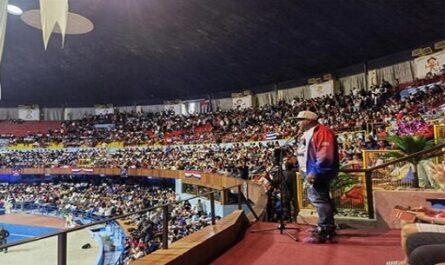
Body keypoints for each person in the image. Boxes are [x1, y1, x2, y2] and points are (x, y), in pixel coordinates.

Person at [296, 110, 339, 244]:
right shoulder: (308, 133)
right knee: (318, 199)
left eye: (300, 120)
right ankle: (324, 227)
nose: (297, 123)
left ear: (309, 120)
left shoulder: (322, 132)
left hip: (318, 173)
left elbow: (325, 155)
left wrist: (314, 172)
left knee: (320, 200)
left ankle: (325, 231)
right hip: (309, 171)